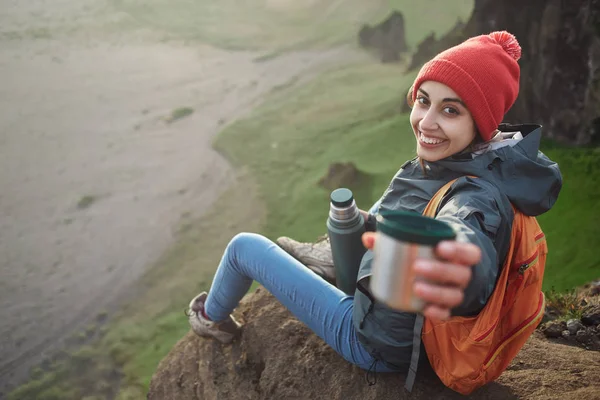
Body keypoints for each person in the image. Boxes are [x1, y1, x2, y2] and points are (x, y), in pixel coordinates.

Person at [186, 31, 562, 378]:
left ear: (481, 124)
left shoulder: (474, 195)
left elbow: (466, 231)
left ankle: (210, 318)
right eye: (423, 101)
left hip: (380, 344)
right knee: (376, 208)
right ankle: (329, 258)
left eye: (451, 110)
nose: (426, 122)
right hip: (398, 320)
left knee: (243, 248)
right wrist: (365, 225)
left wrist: (455, 265)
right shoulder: (462, 161)